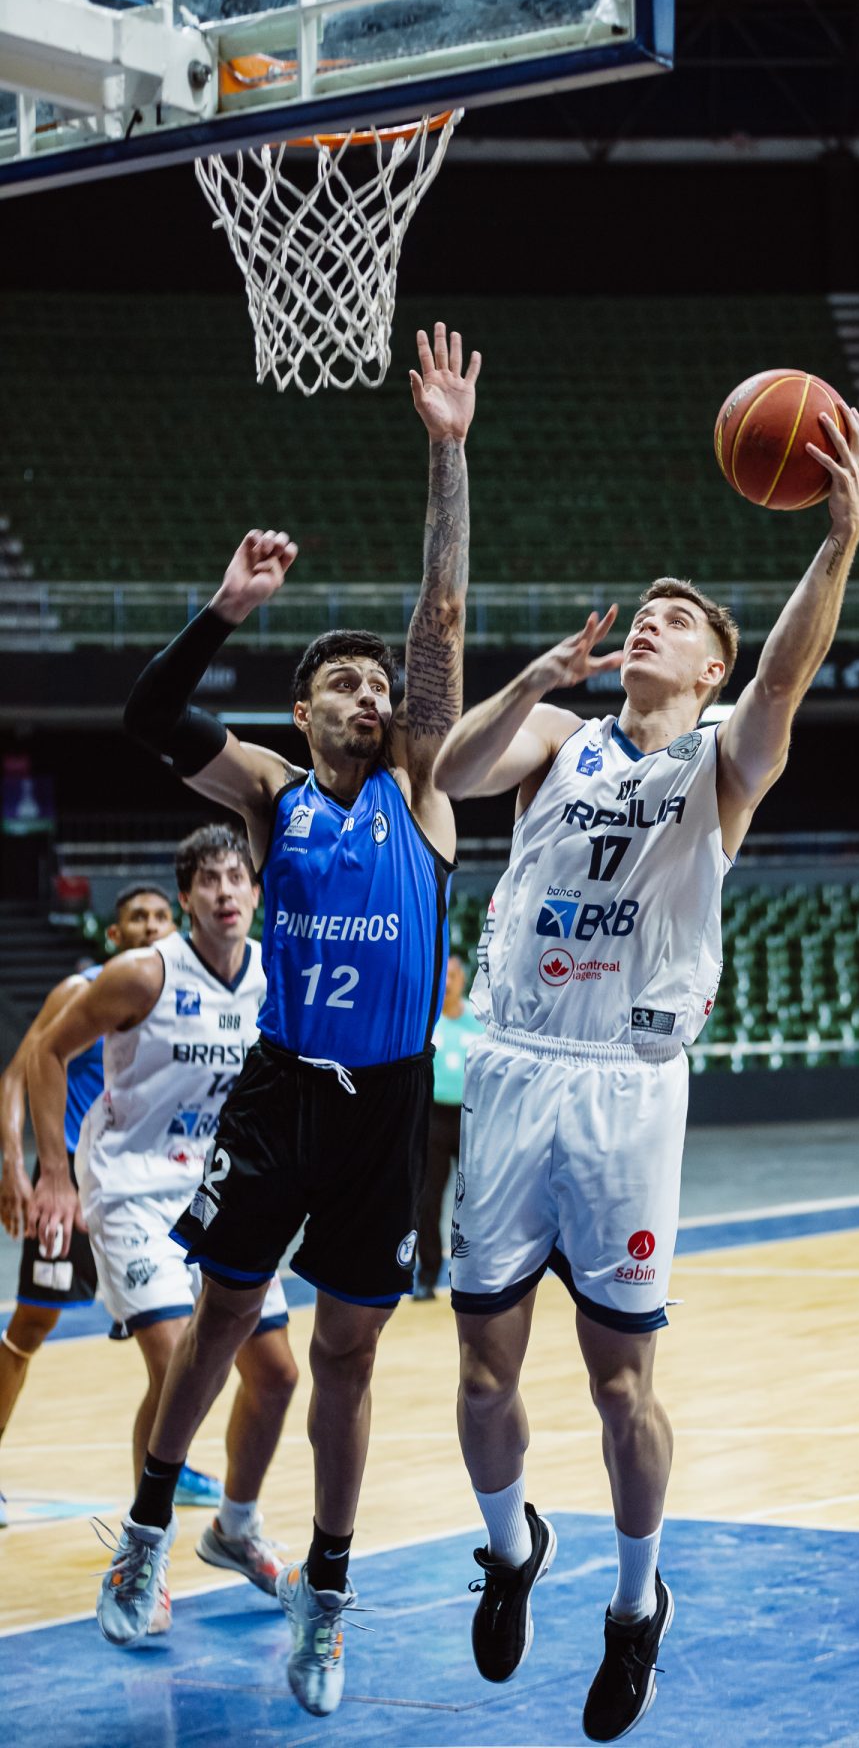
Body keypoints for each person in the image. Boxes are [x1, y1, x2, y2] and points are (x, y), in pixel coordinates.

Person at [33, 322, 479, 1713]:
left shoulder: (423, 789)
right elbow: (147, 714)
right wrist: (224, 604)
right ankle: (149, 1529)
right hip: (284, 1089)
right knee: (223, 1322)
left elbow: (441, 621)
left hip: (387, 1104)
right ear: (302, 710)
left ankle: (327, 1596)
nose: (370, 695)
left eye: (378, 686)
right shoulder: (272, 794)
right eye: (343, 683)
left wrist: (448, 453)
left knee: (345, 1353)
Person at [433, 405, 859, 1740]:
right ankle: (511, 1550)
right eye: (648, 614)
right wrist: (532, 677)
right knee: (483, 1369)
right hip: (513, 1067)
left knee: (621, 1383)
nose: (652, 625)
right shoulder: (560, 739)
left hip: (626, 1086)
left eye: (679, 620)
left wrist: (839, 542)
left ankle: (635, 1608)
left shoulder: (721, 757)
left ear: (711, 665)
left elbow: (784, 681)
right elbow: (447, 769)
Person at [27, 827, 298, 1635]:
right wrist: (52, 1172)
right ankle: (148, 1551)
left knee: (278, 1375)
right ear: (186, 898)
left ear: (256, 892)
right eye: (208, 879)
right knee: (179, 1360)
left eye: (237, 877)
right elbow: (45, 1052)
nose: (225, 891)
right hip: (133, 1189)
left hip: (222, 1191)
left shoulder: (274, 974)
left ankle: (236, 1527)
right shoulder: (143, 973)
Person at [0, 884, 225, 1523]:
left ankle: (168, 1465)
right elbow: (16, 1075)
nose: (150, 925)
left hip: (150, 1183)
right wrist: (17, 1167)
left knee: (179, 1340)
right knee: (32, 1325)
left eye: (160, 915)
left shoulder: (187, 998)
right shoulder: (82, 990)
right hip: (71, 1180)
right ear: (115, 934)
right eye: (136, 917)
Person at [413, 953, 485, 1300]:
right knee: (428, 1200)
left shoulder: (479, 1021)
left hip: (472, 1119)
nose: (447, 984)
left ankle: (479, 1272)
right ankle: (427, 1274)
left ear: (463, 980)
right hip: (433, 1119)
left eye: (453, 976)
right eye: (442, 977)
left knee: (478, 1199)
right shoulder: (425, 1021)